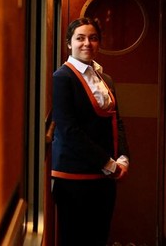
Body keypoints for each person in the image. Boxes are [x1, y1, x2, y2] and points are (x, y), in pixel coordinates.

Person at [51, 17, 130, 245]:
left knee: (99, 238)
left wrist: (123, 158)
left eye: (93, 38)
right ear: (69, 43)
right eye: (80, 38)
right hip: (74, 176)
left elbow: (118, 121)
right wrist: (108, 163)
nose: (87, 43)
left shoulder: (105, 78)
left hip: (105, 176)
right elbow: (68, 131)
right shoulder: (61, 78)